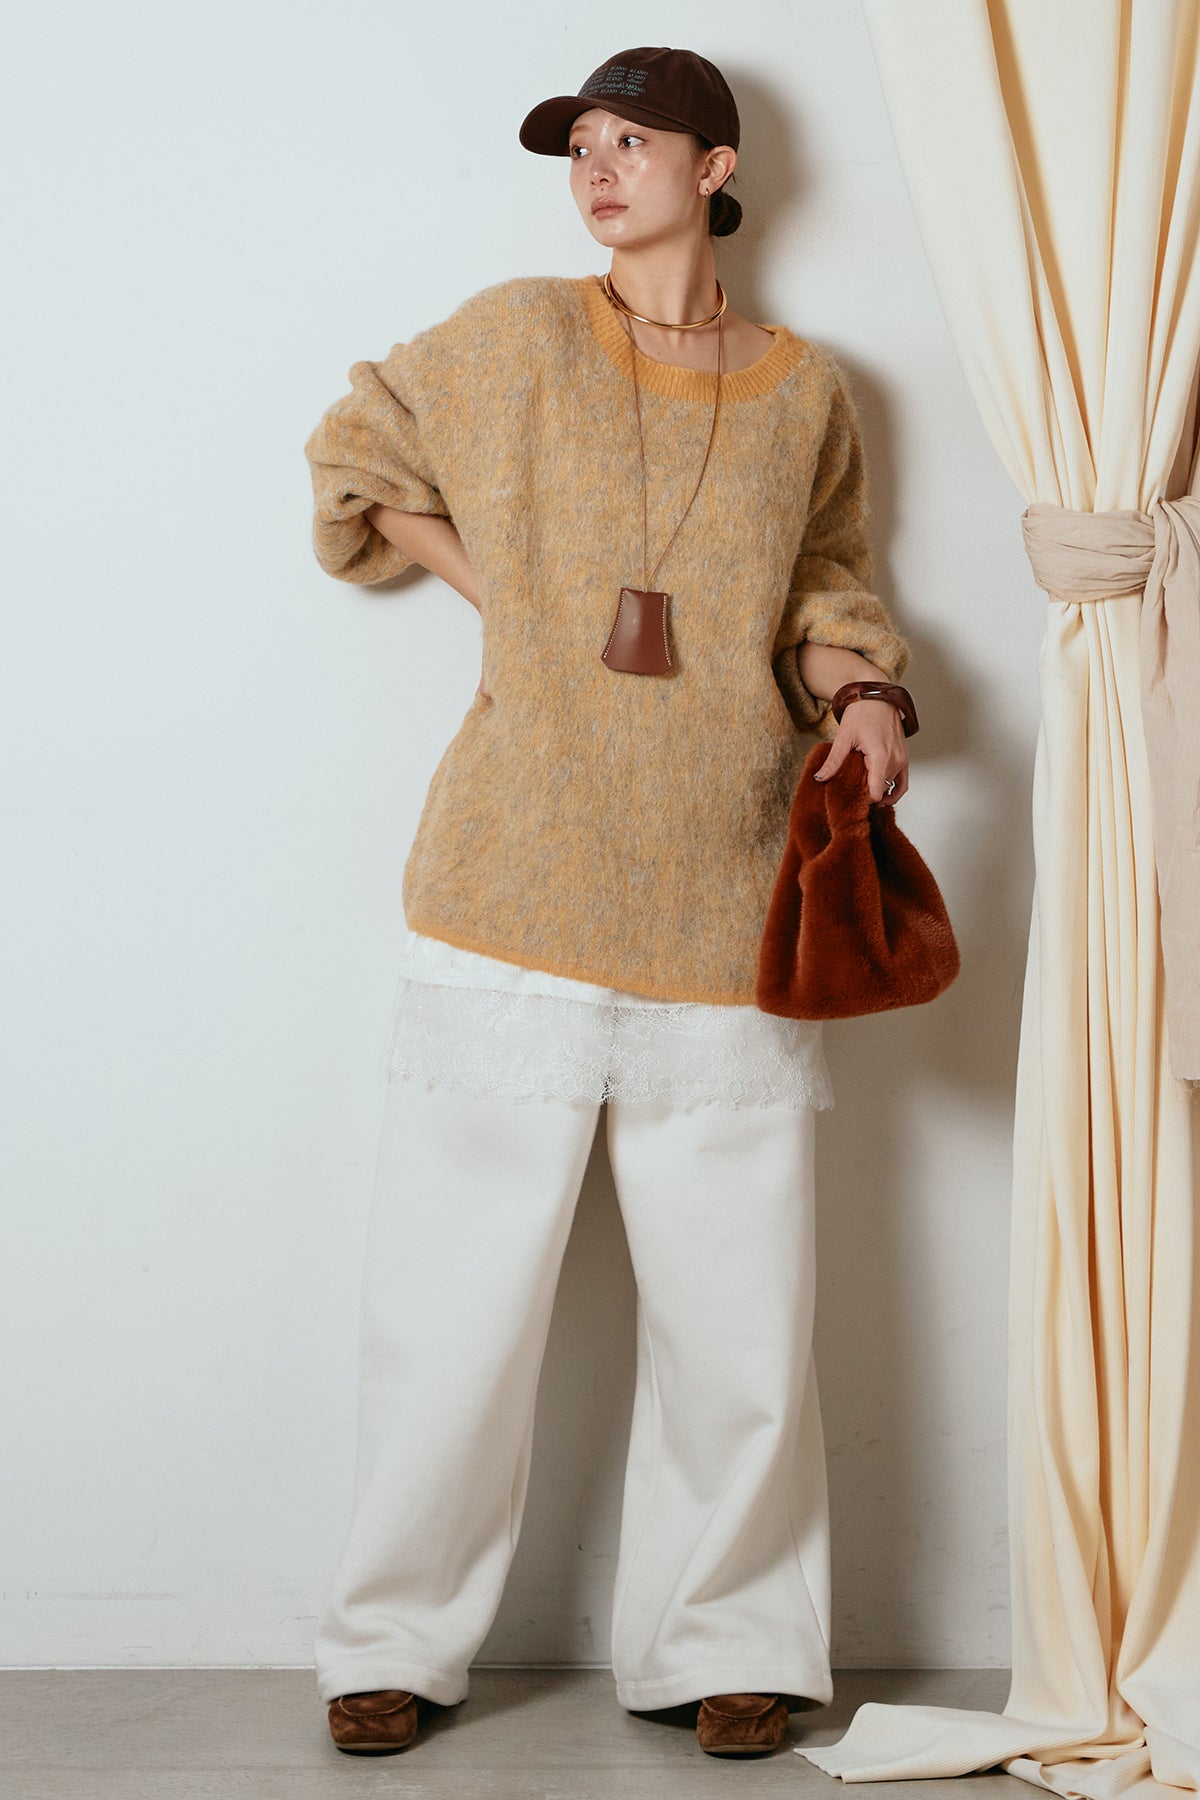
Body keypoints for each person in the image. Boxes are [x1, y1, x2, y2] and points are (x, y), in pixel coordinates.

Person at [303, 44, 914, 1762]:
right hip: (516, 867)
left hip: (726, 875)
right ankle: (391, 1641)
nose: (595, 167)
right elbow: (354, 445)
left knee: (738, 1305)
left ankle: (730, 1641)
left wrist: (868, 695)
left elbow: (826, 583)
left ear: (715, 169)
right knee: (452, 1303)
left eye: (631, 141)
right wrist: (505, 593)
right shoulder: (513, 336)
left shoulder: (807, 390)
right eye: (579, 143)